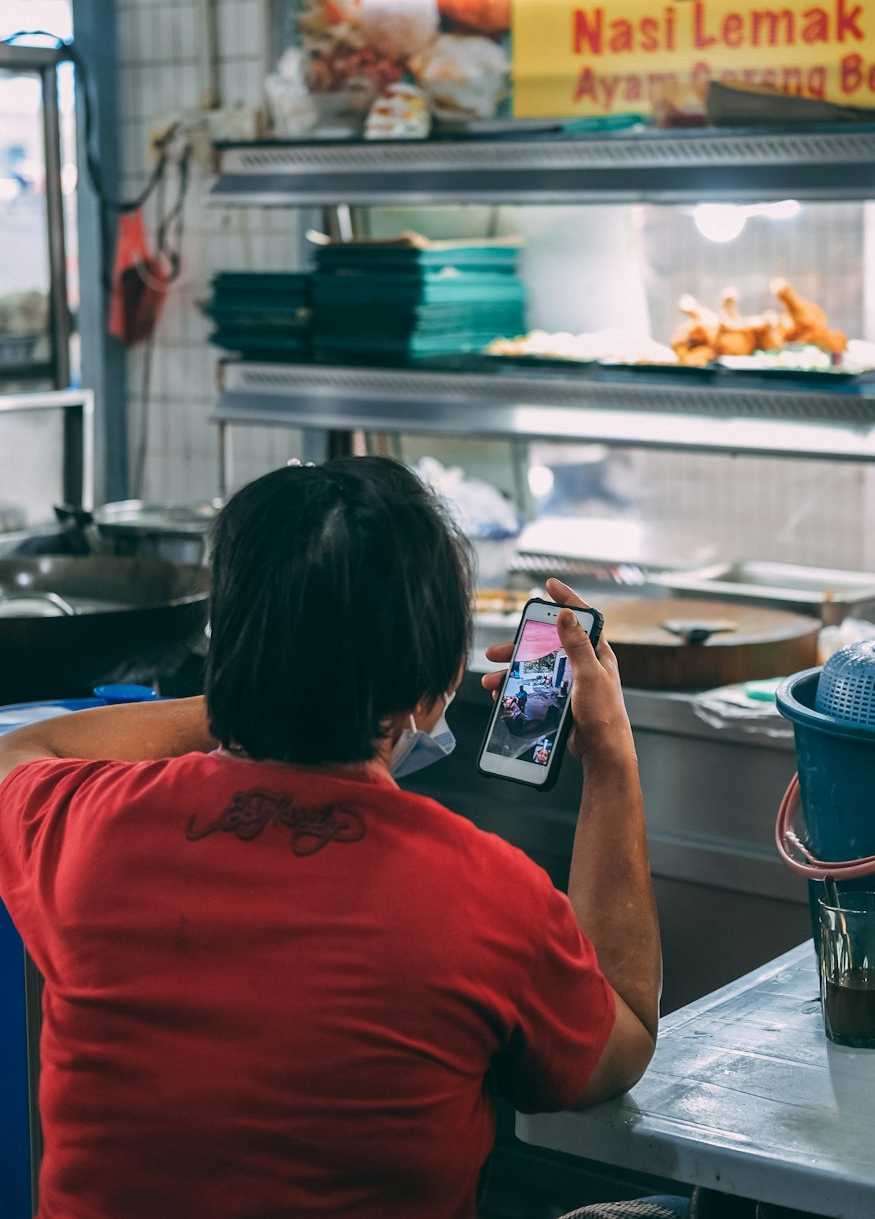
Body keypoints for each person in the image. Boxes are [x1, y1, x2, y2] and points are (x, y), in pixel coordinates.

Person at [0, 458, 666, 1219]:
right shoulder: (486, 895)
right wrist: (610, 756)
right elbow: (623, 1044)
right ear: (435, 686)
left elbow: (19, 753)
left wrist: (256, 687)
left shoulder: (91, 830)